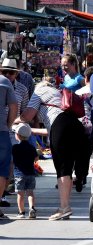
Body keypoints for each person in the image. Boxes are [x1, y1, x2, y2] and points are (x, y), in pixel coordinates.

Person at [16, 80, 90, 220]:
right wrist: (31, 131)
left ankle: (64, 207)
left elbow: (27, 115)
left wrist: (12, 121)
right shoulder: (58, 93)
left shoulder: (39, 91)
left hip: (61, 126)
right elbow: (51, 130)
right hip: (75, 125)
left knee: (62, 169)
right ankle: (65, 206)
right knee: (67, 168)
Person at [0, 58, 29, 204]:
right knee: (5, 163)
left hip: (13, 129)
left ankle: (4, 191)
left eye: (10, 72)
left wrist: (16, 124)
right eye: (4, 72)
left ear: (16, 74)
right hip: (3, 129)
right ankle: (3, 193)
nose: (7, 75)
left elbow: (24, 111)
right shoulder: (2, 83)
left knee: (10, 163)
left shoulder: (22, 89)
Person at [12, 123, 38, 219]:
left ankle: (21, 212)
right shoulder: (31, 147)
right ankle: (32, 208)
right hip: (30, 173)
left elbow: (12, 160)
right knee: (30, 193)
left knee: (20, 194)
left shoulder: (15, 148)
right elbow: (36, 158)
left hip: (19, 174)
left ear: (17, 135)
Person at [0, 75, 17, 219]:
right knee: (1, 170)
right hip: (1, 131)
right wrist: (9, 124)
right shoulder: (4, 81)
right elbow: (14, 106)